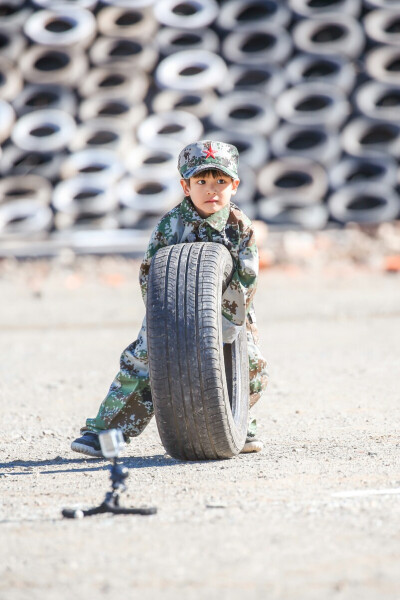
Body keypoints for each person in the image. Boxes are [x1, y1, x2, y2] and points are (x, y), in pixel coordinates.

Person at [71, 140, 269, 458]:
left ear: (235, 185)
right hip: (175, 306)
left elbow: (247, 276)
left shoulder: (239, 227)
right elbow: (150, 273)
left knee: (252, 366)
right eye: (201, 181)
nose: (211, 190)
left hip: (229, 305)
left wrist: (228, 322)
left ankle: (238, 424)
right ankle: (105, 432)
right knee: (143, 360)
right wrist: (162, 318)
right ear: (185, 186)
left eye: (220, 181)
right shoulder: (170, 225)